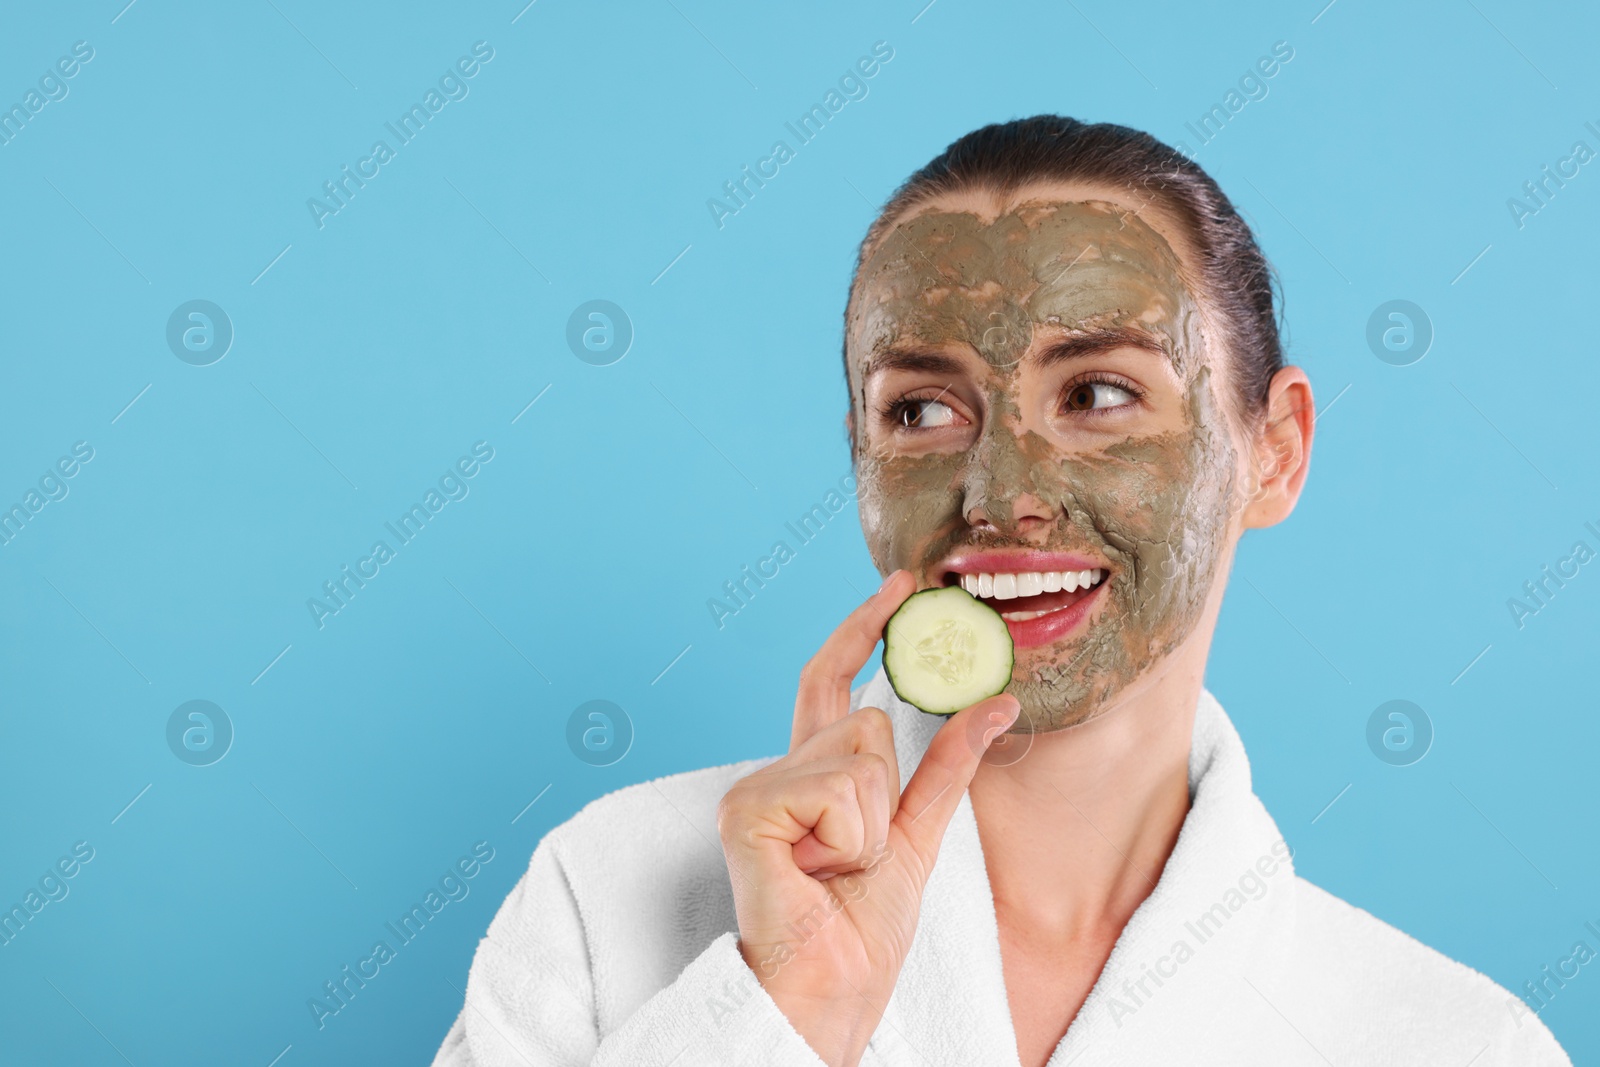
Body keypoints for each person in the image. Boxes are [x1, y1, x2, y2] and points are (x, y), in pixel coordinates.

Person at [431, 116, 1571, 1066]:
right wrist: (781, 1016)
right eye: (921, 410)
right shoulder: (613, 892)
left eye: (1099, 393)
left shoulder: (1453, 1041)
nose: (1003, 493)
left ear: (1271, 452)